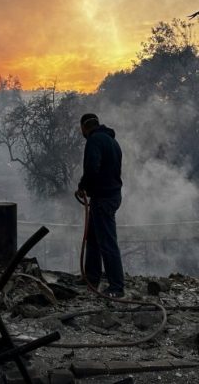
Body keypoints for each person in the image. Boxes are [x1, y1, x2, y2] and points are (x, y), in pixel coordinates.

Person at [75, 113, 125, 298]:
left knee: (107, 242)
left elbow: (91, 168)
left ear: (84, 127)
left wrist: (82, 187)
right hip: (111, 195)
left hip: (103, 198)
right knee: (93, 239)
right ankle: (91, 277)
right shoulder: (113, 142)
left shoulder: (94, 141)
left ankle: (117, 287)